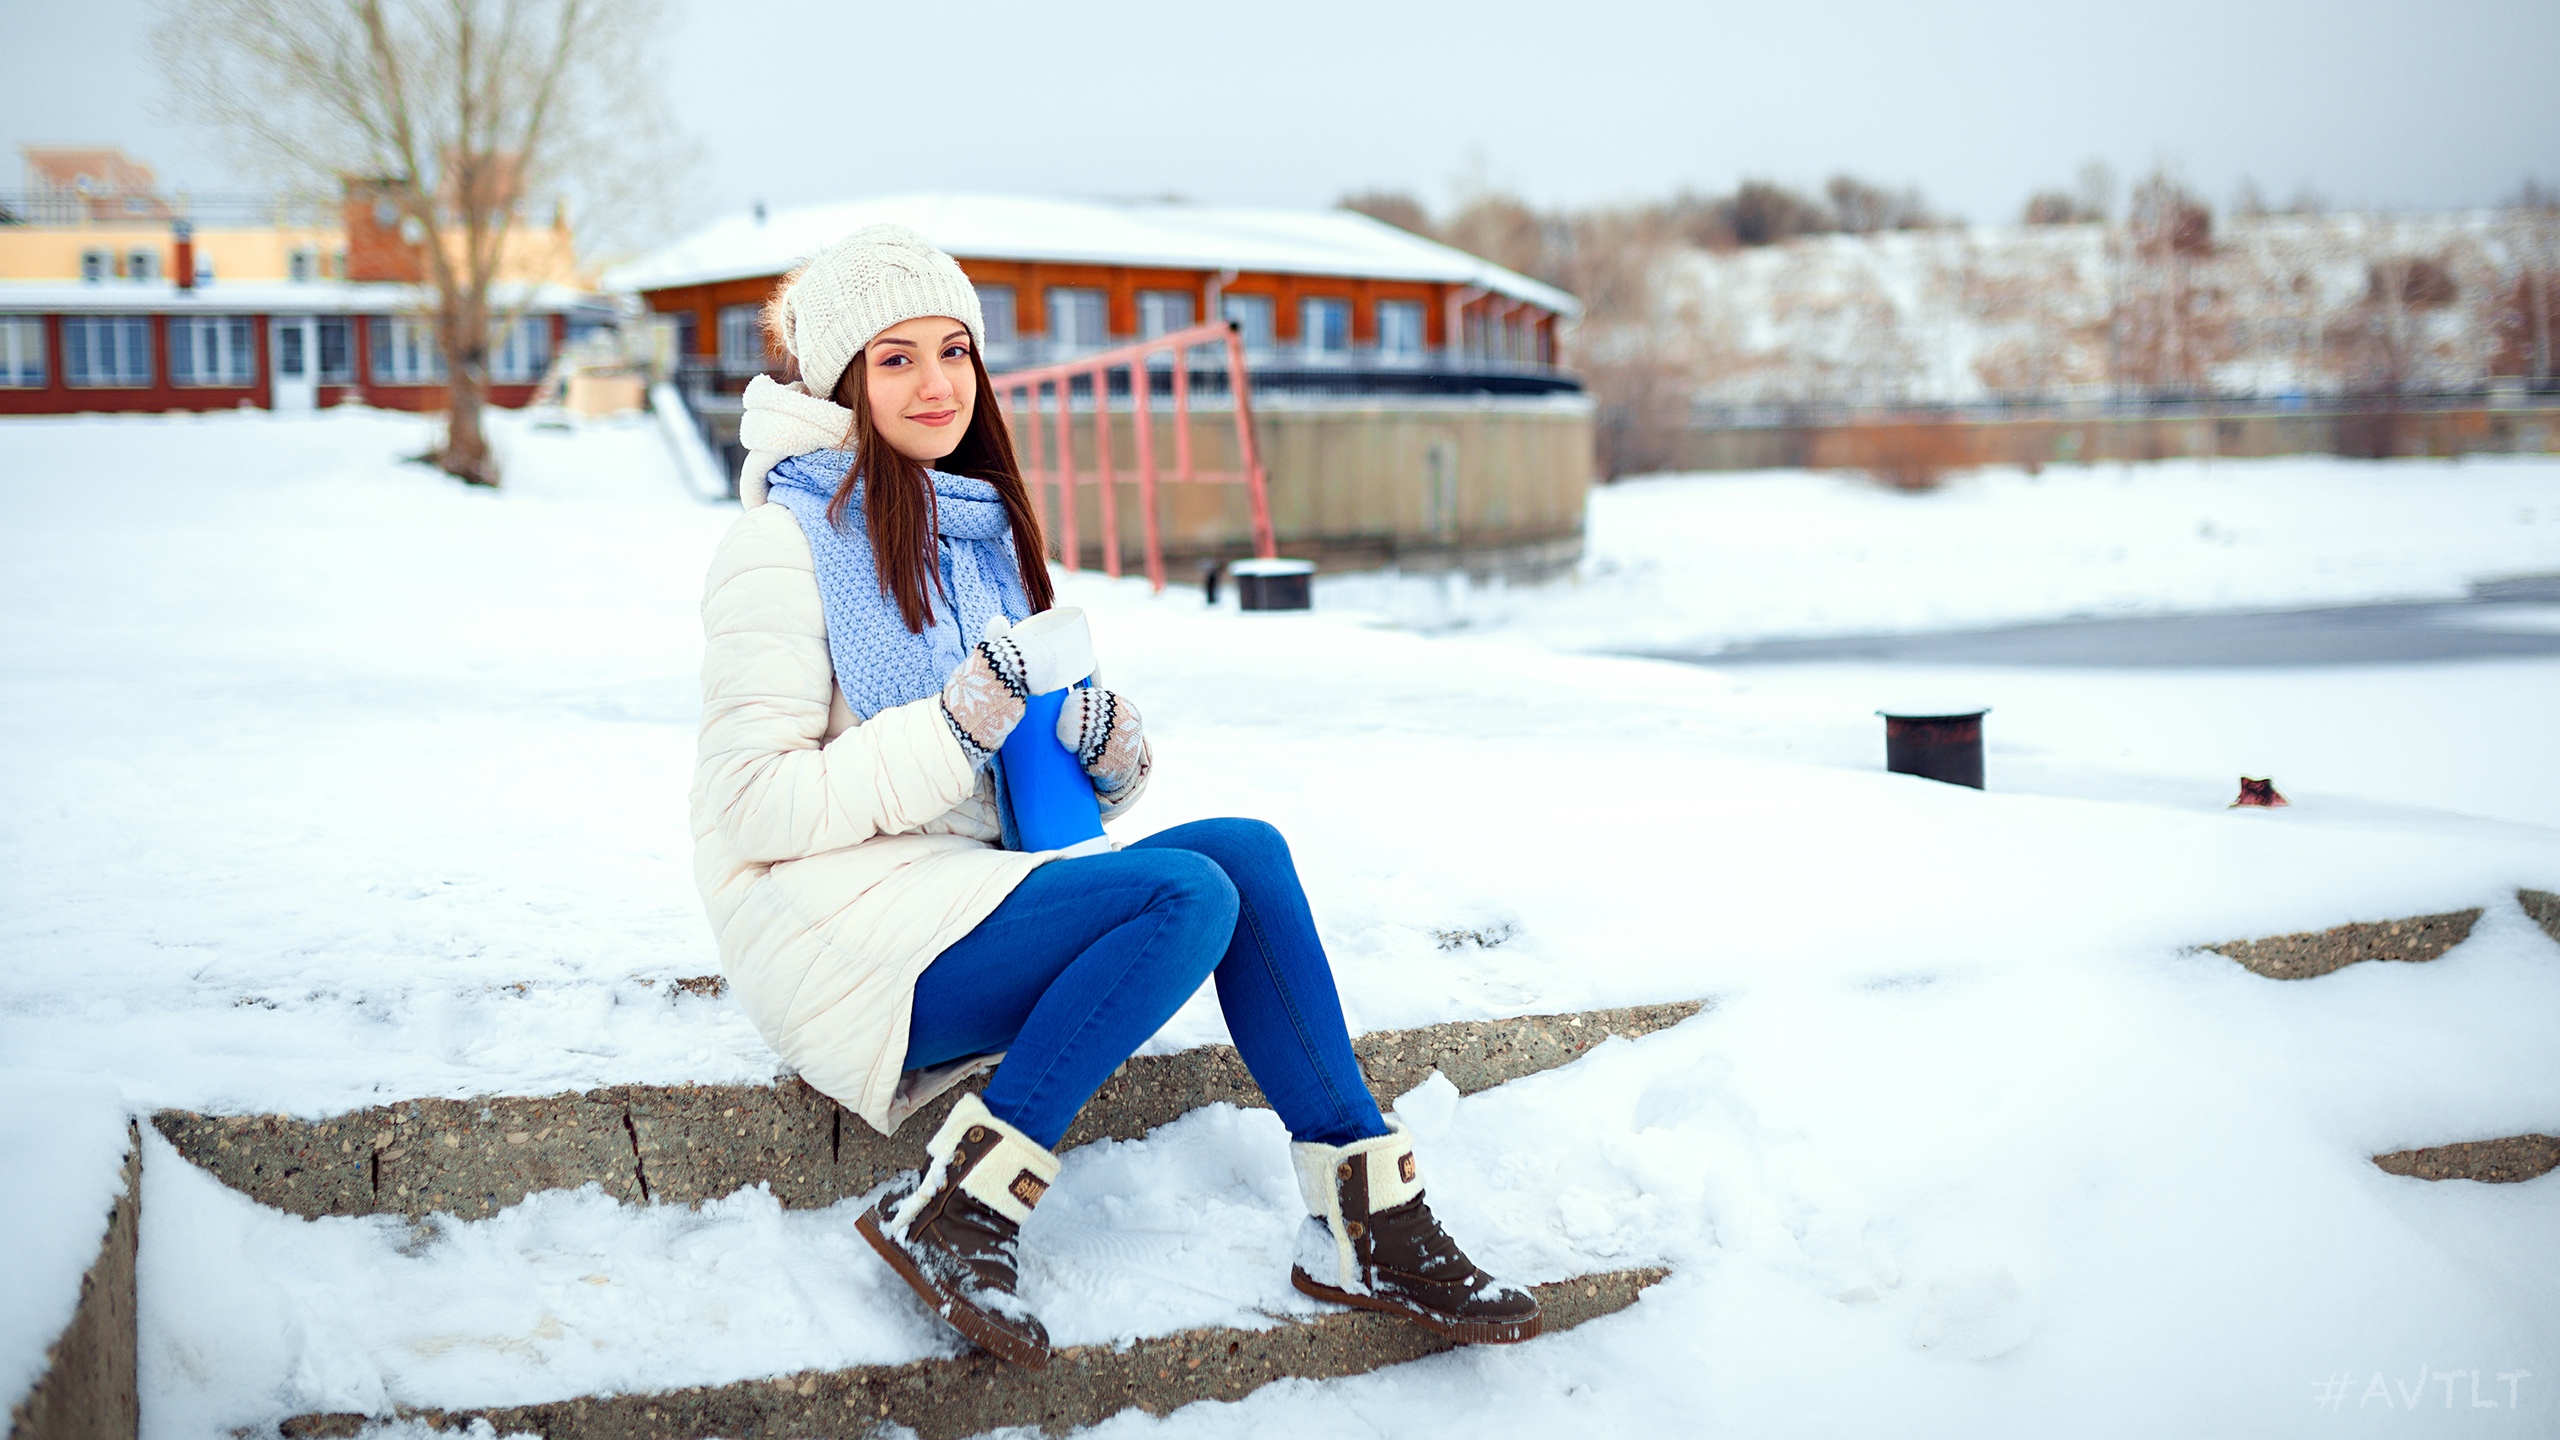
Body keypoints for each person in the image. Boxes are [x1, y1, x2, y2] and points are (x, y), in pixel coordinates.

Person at [689, 224, 1538, 1370]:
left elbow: (1007, 788)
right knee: (1182, 898)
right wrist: (951, 725)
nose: (936, 383)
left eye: (953, 351)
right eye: (896, 359)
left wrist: (1103, 750)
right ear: (844, 379)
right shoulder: (783, 545)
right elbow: (751, 806)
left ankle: (1364, 1217)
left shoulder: (974, 533)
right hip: (835, 934)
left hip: (956, 891)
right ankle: (962, 1208)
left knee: (1242, 850)